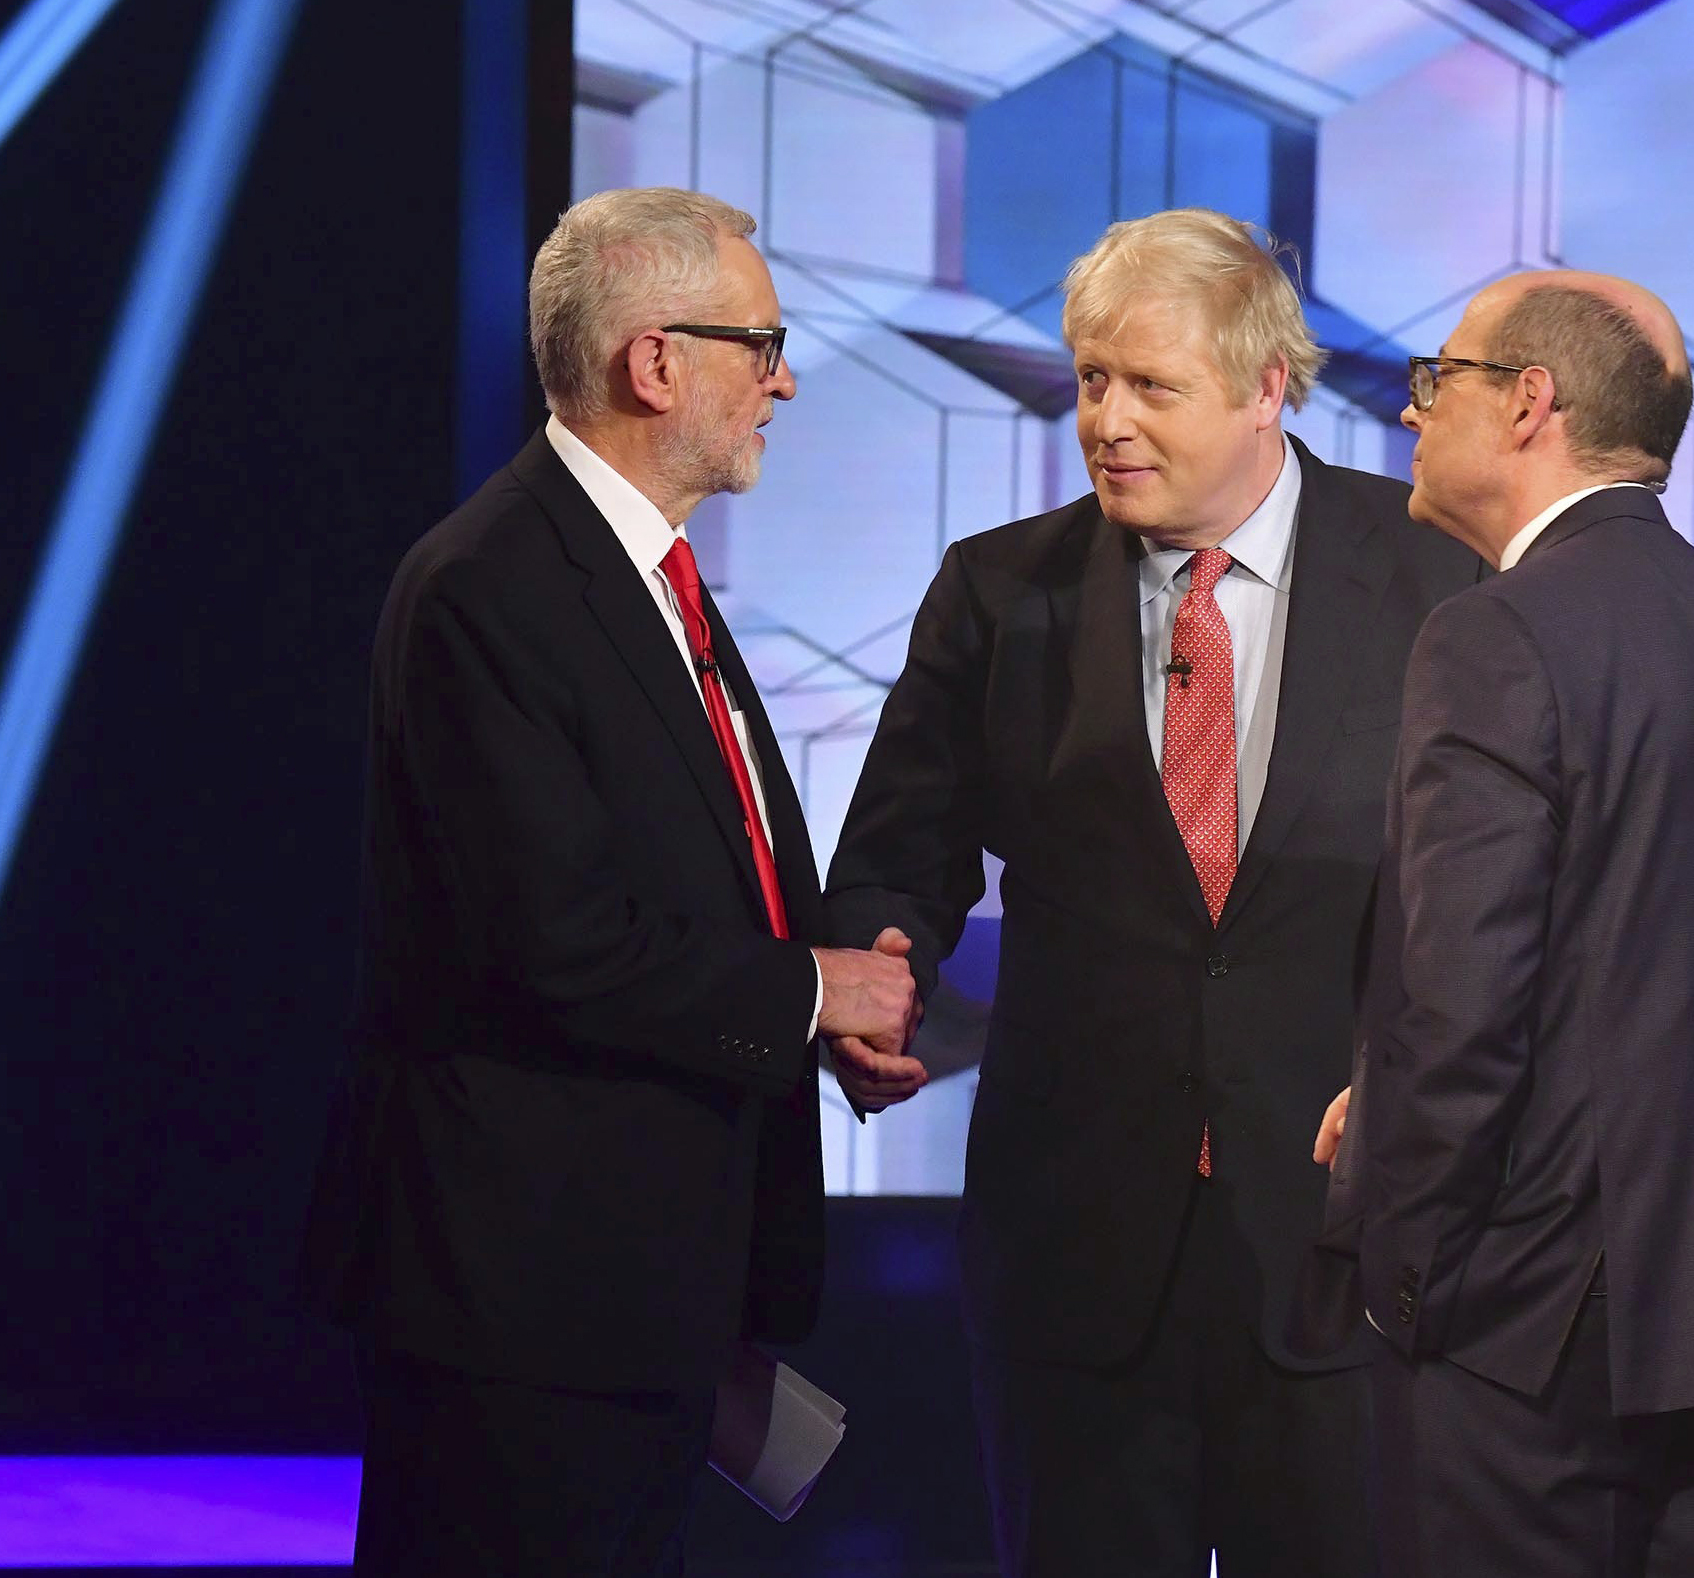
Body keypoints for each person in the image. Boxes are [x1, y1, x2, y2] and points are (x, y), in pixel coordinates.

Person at [824, 207, 1481, 1576]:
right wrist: (880, 960)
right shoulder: (1000, 591)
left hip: (1341, 1237)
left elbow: (1503, 888)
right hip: (1077, 1245)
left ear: (1263, 390)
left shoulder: (1436, 582)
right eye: (1088, 380)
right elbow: (905, 841)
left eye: (1150, 386)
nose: (1105, 421)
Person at [297, 186, 921, 1577]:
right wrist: (811, 989)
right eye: (759, 345)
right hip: (524, 1300)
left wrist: (824, 1012)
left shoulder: (650, 578)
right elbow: (551, 940)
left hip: (642, 1291)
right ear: (655, 363)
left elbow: (710, 868)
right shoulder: (489, 585)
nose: (783, 378)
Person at [1311, 270, 1694, 1577]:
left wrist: (1402, 1275)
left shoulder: (1495, 635)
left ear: (1527, 403)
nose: (1406, 413)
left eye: (1436, 379)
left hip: (1538, 1334)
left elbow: (1462, 1002)